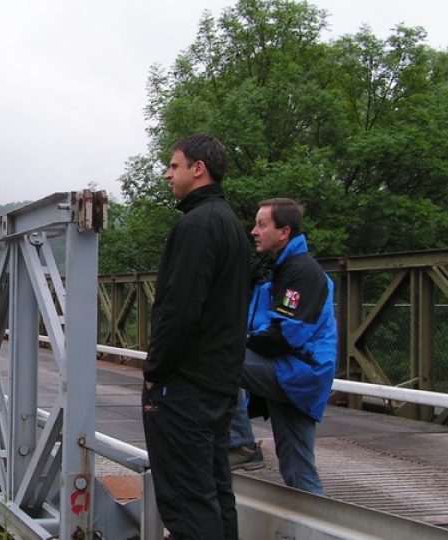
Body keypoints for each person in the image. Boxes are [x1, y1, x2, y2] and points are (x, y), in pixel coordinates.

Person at [142, 133, 250, 539]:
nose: (168, 174)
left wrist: (155, 371)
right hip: (219, 383)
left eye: (174, 165)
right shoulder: (230, 225)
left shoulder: (196, 225)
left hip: (186, 386)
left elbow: (179, 309)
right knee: (216, 492)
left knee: (187, 502)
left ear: (197, 169)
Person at [228, 198, 338, 496]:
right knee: (298, 470)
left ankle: (239, 443)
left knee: (218, 358)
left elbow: (286, 335)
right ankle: (318, 530)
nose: (254, 231)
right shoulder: (276, 268)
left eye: (262, 225)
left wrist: (237, 342)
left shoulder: (302, 272)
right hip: (293, 372)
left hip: (299, 371)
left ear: (284, 232)